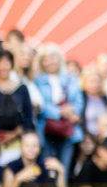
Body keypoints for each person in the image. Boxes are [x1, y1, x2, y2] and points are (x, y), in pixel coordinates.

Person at [34, 43, 84, 176]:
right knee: (47, 168)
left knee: (64, 168)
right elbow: (40, 104)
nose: (50, 62)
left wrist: (73, 112)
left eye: (53, 58)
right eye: (46, 59)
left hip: (67, 130)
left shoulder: (71, 78)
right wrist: (59, 112)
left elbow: (78, 101)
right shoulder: (37, 81)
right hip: (47, 130)